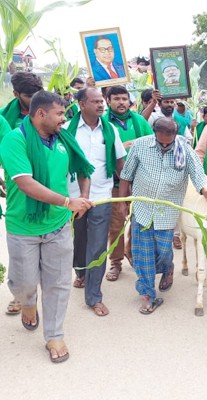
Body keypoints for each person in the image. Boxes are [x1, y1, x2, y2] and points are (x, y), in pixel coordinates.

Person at [0, 91, 94, 362]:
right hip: (23, 228)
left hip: (58, 226)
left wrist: (83, 197)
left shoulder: (64, 139)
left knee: (58, 283)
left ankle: (54, 335)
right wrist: (68, 201)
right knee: (24, 282)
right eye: (60, 114)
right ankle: (27, 303)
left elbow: (83, 169)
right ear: (41, 114)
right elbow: (25, 183)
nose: (65, 119)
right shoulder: (14, 140)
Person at [118, 117, 207, 314]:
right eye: (161, 142)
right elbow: (126, 175)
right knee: (143, 253)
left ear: (175, 136)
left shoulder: (184, 149)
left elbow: (198, 175)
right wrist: (122, 202)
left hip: (167, 212)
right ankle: (147, 294)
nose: (164, 146)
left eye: (168, 143)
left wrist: (206, 192)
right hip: (142, 208)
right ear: (155, 134)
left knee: (163, 251)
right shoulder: (141, 145)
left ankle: (167, 268)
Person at [63, 88, 126, 316]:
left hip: (102, 196)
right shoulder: (65, 130)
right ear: (81, 104)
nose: (101, 105)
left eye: (102, 101)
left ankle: (94, 296)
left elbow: (120, 163)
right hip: (72, 198)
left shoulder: (110, 131)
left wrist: (126, 192)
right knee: (79, 241)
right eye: (95, 101)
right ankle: (81, 272)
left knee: (98, 246)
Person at [1, 71, 44, 316]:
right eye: (29, 96)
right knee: (20, 247)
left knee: (48, 241)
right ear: (16, 94)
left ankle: (39, 290)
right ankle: (21, 296)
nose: (34, 99)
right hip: (19, 186)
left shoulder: (52, 108)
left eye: (36, 93)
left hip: (49, 185)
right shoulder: (5, 119)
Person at [104, 85, 154, 281]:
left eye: (124, 98)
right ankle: (116, 263)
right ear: (108, 101)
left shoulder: (139, 121)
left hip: (140, 182)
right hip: (116, 183)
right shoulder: (104, 123)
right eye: (116, 98)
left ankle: (131, 252)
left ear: (129, 101)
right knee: (116, 224)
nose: (121, 102)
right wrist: (121, 148)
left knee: (140, 222)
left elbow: (153, 143)